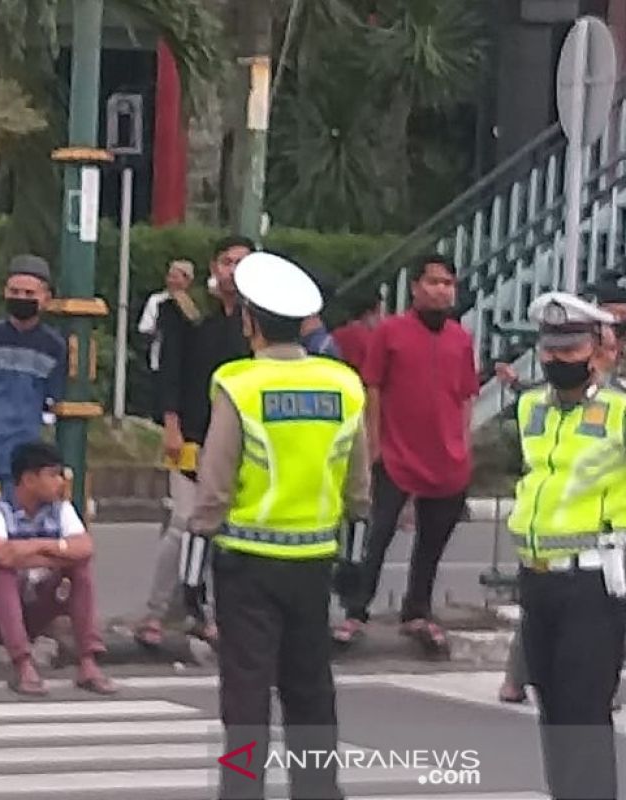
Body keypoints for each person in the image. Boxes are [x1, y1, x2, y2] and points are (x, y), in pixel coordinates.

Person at [189, 252, 370, 800]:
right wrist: (354, 564)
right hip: (315, 561)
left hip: (247, 563)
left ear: (250, 321)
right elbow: (359, 485)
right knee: (310, 688)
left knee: (246, 696)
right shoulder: (343, 384)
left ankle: (242, 792)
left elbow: (213, 487)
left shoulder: (240, 384)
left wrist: (191, 575)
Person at [505, 291, 626, 800]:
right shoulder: (532, 406)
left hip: (593, 582)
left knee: (583, 711)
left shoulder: (621, 412)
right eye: (549, 348)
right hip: (536, 578)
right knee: (552, 710)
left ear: (601, 348)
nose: (557, 359)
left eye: (571, 348)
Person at [334, 255, 478, 653]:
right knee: (375, 536)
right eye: (432, 282)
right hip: (396, 454)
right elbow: (373, 387)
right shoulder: (390, 333)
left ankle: (417, 610)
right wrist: (374, 443)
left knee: (432, 541)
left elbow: (466, 394)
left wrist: (464, 443)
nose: (441, 290)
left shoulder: (460, 338)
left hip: (446, 456)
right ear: (415, 287)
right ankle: (355, 611)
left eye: (448, 283)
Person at [134, 237, 253, 648]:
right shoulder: (186, 309)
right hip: (194, 431)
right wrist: (171, 425)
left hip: (243, 436)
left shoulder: (258, 315)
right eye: (227, 262)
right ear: (213, 266)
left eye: (243, 262)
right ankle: (156, 611)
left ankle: (209, 611)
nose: (234, 270)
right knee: (184, 523)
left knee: (228, 529)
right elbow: (171, 370)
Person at [0, 441, 116, 697]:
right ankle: (22, 664)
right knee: (2, 571)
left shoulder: (61, 510)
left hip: (32, 607)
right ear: (30, 479)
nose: (60, 482)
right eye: (53, 475)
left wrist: (34, 546)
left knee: (80, 568)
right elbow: (4, 554)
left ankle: (88, 661)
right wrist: (59, 552)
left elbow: (85, 547)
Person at [0, 255, 66, 542]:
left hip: (23, 444)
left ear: (45, 298)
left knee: (17, 525)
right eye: (14, 291)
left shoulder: (54, 346)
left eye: (29, 293)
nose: (21, 298)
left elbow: (55, 400)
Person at [138, 260, 195, 418]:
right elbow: (145, 327)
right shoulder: (157, 301)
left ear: (187, 280)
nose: (171, 281)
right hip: (161, 359)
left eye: (176, 277)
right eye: (169, 276)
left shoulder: (195, 301)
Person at [331, 291, 384, 374]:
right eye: (378, 313)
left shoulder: (335, 335)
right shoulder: (371, 339)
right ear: (368, 314)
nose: (381, 319)